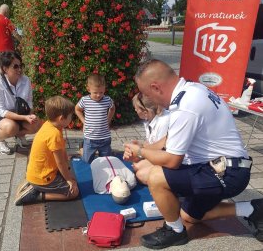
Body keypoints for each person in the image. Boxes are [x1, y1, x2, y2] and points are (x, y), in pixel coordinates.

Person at [123, 59, 263, 249]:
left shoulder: (184, 106)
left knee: (155, 176)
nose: (152, 102)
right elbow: (167, 141)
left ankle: (175, 232)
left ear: (156, 87)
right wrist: (143, 148)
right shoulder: (193, 90)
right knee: (188, 216)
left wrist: (140, 152)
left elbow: (172, 161)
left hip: (227, 172)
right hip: (226, 167)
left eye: (148, 95)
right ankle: (252, 209)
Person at [15, 96, 79, 205]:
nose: (71, 118)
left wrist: (68, 175)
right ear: (61, 118)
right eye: (70, 116)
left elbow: (61, 153)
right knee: (73, 192)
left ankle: (33, 185)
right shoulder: (54, 135)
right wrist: (69, 179)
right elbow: (60, 163)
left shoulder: (48, 125)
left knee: (73, 180)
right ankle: (35, 196)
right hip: (43, 178)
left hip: (36, 173)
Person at [0, 51, 41, 154]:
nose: (19, 69)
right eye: (15, 66)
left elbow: (29, 102)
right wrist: (24, 118)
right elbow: (1, 111)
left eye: (20, 65)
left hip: (17, 113)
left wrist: (31, 115)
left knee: (36, 124)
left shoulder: (25, 80)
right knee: (11, 127)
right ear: (5, 69)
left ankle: (18, 136)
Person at [75, 73, 115, 164]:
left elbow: (112, 108)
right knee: (87, 161)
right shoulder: (85, 100)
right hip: (90, 138)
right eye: (95, 92)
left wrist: (108, 120)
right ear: (88, 89)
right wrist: (84, 122)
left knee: (106, 161)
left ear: (104, 89)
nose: (98, 95)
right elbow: (77, 109)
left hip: (105, 138)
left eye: (101, 92)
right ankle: (82, 150)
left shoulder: (107, 100)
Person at [131, 92, 170, 185]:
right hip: (161, 155)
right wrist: (141, 146)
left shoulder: (164, 121)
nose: (135, 110)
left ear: (145, 112)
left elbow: (162, 150)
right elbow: (151, 142)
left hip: (168, 159)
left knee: (140, 173)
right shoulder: (149, 119)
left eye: (136, 108)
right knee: (136, 165)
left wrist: (141, 150)